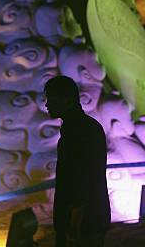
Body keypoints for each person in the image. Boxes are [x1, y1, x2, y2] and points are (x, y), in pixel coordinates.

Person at [44, 76, 111, 247]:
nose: (47, 104)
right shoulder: (86, 127)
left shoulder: (77, 132)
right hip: (90, 218)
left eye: (51, 98)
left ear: (66, 100)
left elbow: (82, 179)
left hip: (83, 223)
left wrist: (73, 224)